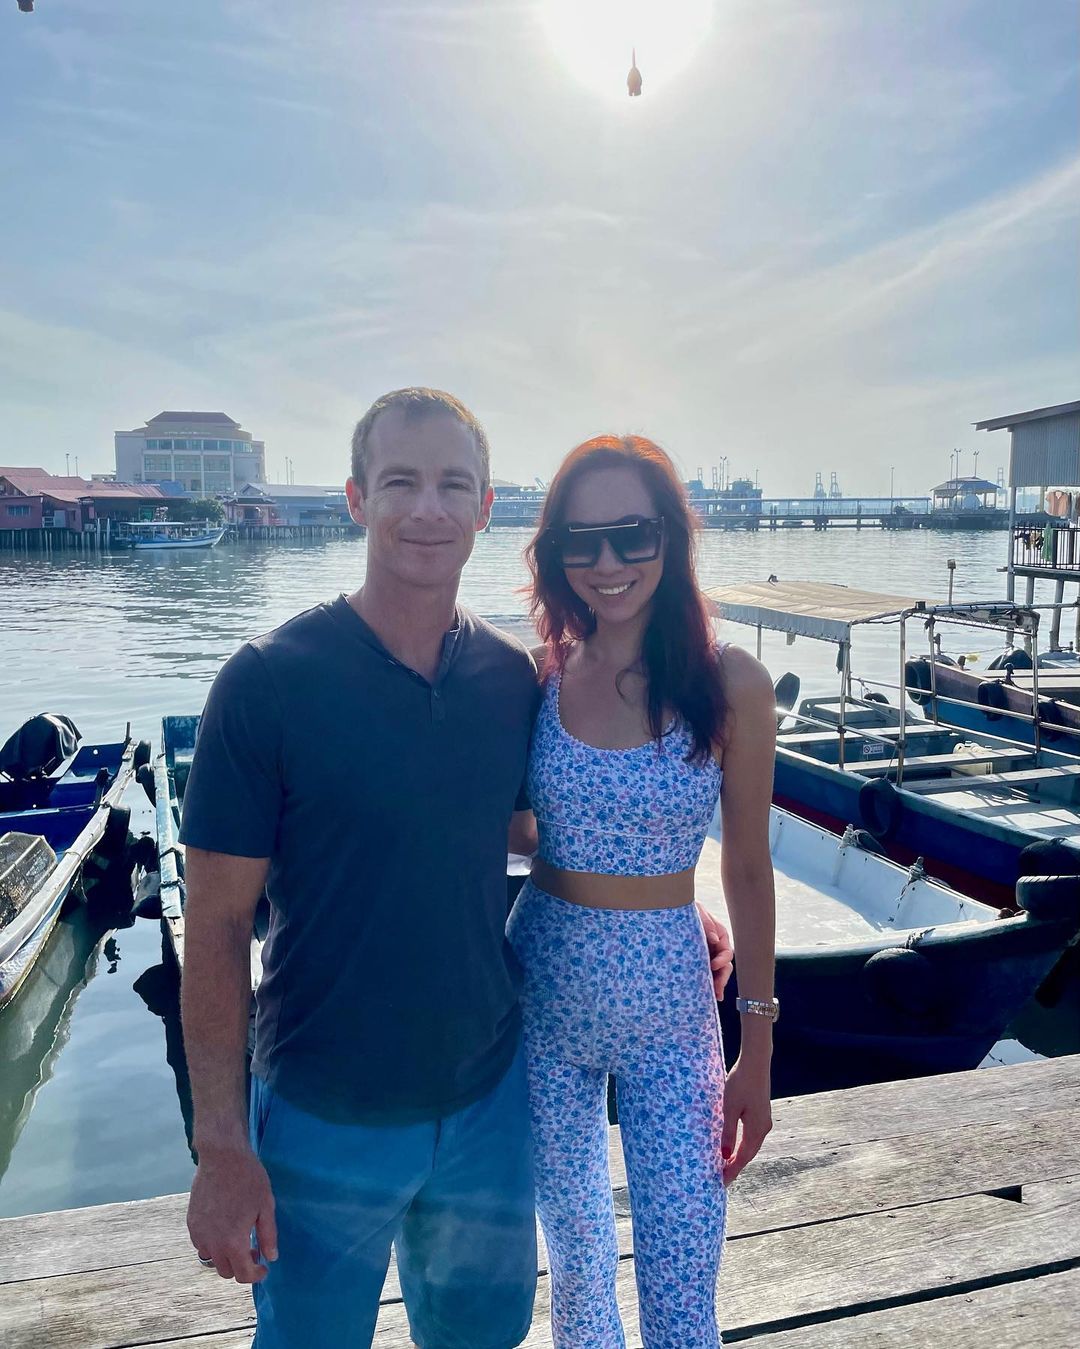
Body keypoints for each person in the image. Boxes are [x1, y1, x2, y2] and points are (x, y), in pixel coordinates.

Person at [179, 389, 735, 1349]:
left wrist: (660, 906)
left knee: (484, 1335)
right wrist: (222, 1145)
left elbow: (531, 826)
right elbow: (218, 923)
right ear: (357, 497)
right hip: (325, 1109)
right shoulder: (267, 682)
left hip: (487, 1100)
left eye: (453, 484)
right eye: (401, 481)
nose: (427, 509)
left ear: (486, 507)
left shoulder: (509, 678)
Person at [508, 434, 776, 1348]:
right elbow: (517, 827)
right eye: (580, 541)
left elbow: (747, 868)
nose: (608, 562)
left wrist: (757, 1050)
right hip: (545, 994)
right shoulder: (537, 676)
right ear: (554, 553)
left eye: (632, 533)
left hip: (671, 1002)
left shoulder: (731, 683)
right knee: (578, 1265)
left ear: (671, 534)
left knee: (684, 1263)